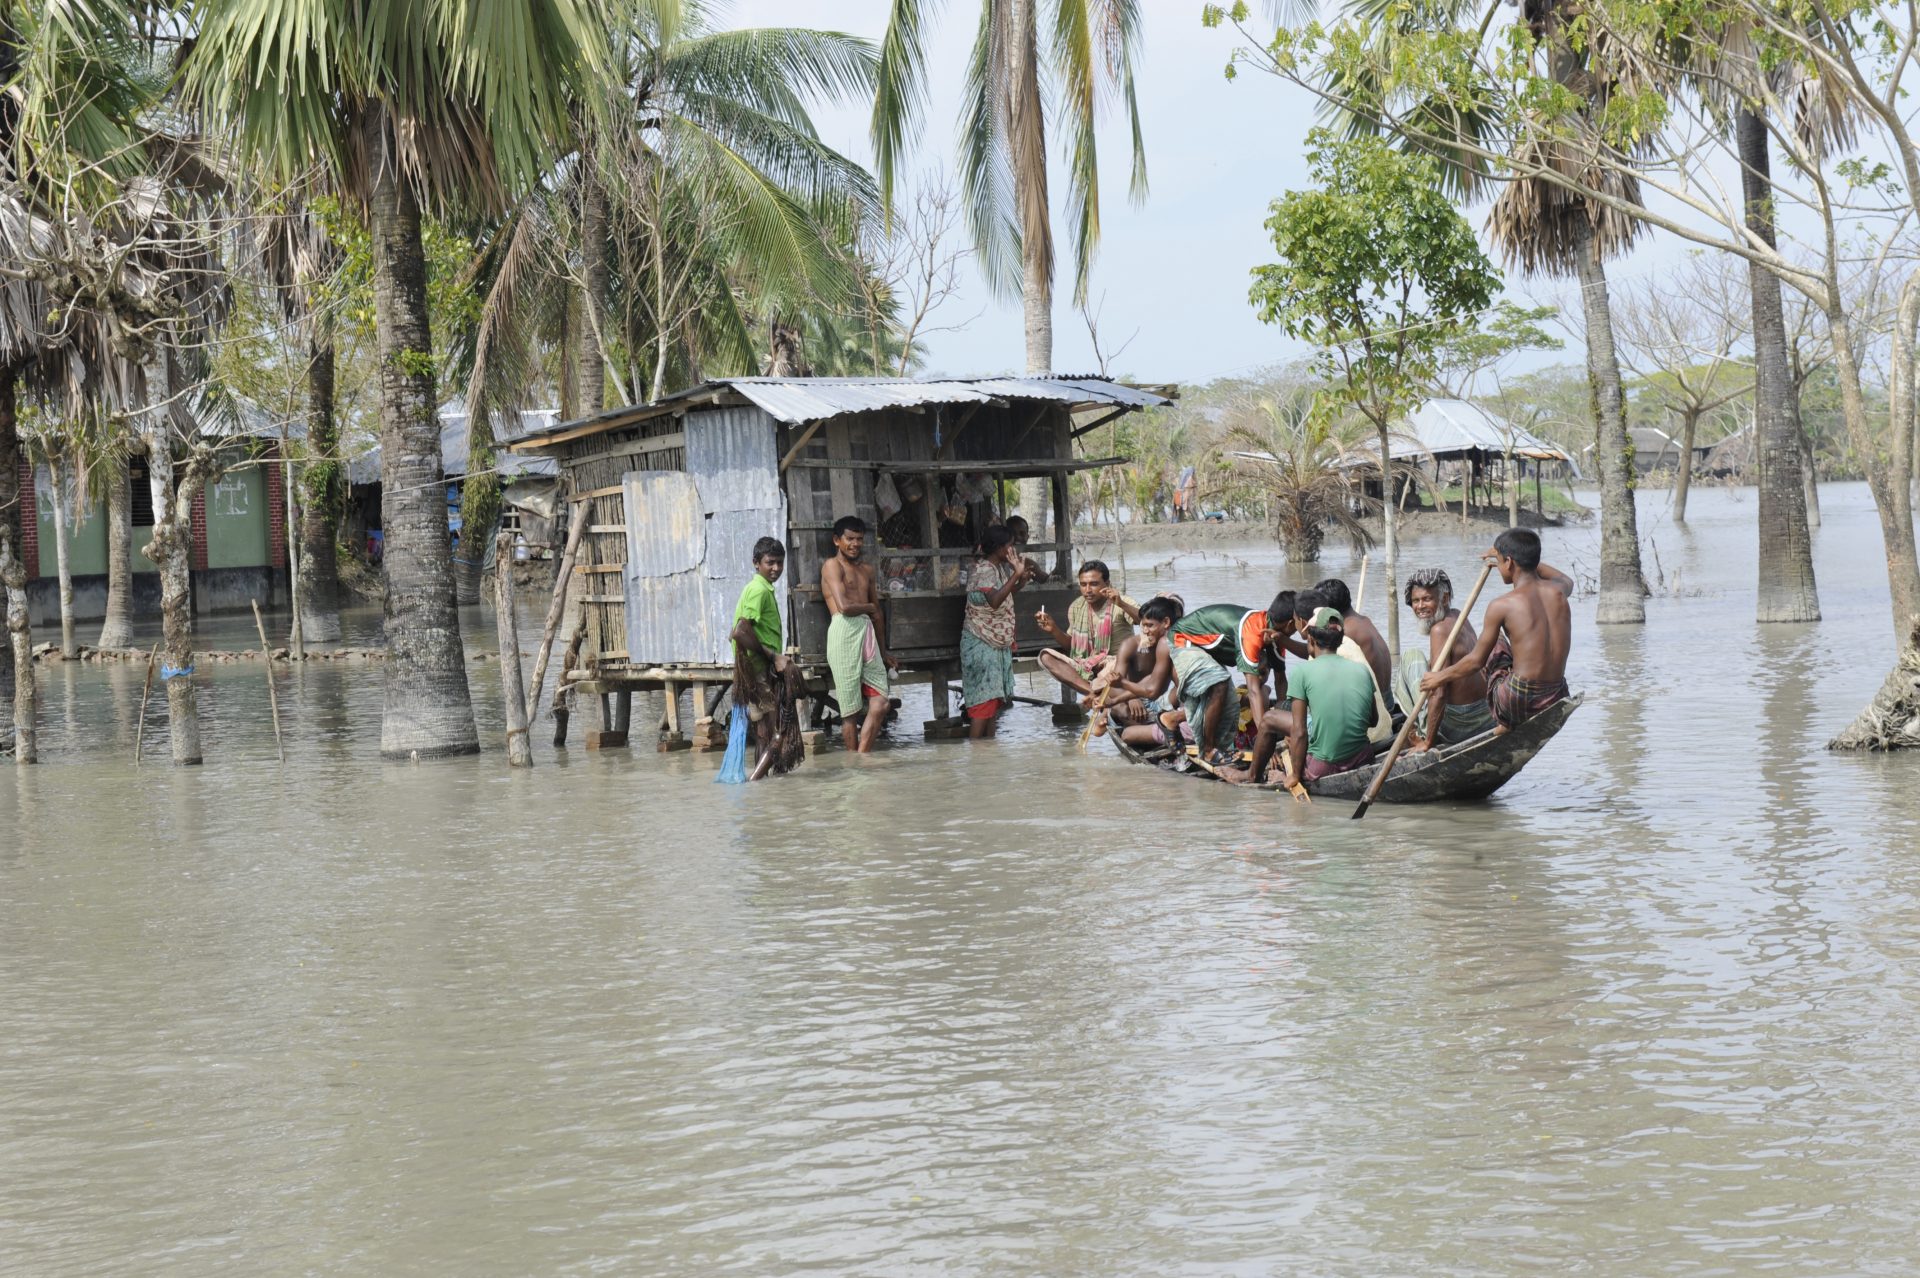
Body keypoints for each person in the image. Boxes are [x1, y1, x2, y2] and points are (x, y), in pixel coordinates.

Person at [1421, 528, 1574, 732]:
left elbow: (1476, 661)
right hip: (1558, 693)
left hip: (1517, 702)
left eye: (1500, 561)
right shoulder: (1560, 590)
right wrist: (1520, 557)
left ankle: (1503, 723)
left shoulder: (1501, 605)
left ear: (1509, 562)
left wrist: (1438, 677)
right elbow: (1565, 578)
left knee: (1495, 642)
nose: (1499, 566)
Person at [1282, 606, 1385, 799]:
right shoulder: (1361, 670)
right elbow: (1373, 721)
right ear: (1340, 640)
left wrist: (1295, 775)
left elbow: (1299, 731)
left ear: (1311, 639)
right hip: (1362, 758)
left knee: (1288, 746)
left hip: (1324, 766)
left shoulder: (1301, 673)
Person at [1392, 568, 1496, 751]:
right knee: (1426, 664)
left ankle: (1423, 731)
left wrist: (1428, 742)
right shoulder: (1457, 615)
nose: (1420, 607)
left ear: (1444, 599)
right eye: (1415, 601)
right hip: (1484, 714)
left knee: (1411, 657)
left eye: (1427, 599)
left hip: (1461, 724)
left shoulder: (1439, 630)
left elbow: (1439, 693)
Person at [821, 515, 897, 753]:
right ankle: (855, 761)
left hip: (867, 633)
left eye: (859, 539)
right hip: (843, 630)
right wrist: (870, 608)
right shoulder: (832, 566)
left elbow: (878, 616)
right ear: (837, 540)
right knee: (850, 710)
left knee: (881, 703)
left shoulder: (867, 570)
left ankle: (861, 757)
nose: (854, 544)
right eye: (849, 539)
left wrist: (884, 653)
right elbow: (844, 607)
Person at [729, 537, 802, 771]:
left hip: (760, 667)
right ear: (756, 563)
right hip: (758, 668)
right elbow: (740, 631)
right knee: (770, 730)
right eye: (770, 562)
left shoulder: (762, 588)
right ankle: (757, 784)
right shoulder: (758, 589)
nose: (776, 569)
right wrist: (773, 656)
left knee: (766, 730)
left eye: (780, 563)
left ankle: (766, 789)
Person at [961, 525, 1037, 738]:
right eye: (1010, 546)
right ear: (999, 548)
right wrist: (1017, 574)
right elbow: (994, 601)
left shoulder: (999, 568)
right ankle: (977, 751)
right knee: (982, 702)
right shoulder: (983, 569)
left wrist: (1020, 578)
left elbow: (1005, 593)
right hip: (980, 640)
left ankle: (989, 755)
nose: (1012, 550)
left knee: (992, 701)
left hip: (994, 642)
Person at [1169, 600, 1278, 749]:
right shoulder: (1247, 692)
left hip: (1232, 733)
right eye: (1257, 673)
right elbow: (1252, 695)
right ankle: (1204, 744)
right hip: (1186, 647)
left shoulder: (1261, 690)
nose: (1260, 678)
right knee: (1221, 689)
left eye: (1264, 673)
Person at [1036, 560, 1139, 697]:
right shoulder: (1076, 606)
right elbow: (1071, 646)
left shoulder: (1120, 601)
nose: (1088, 590)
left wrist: (1122, 604)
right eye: (1083, 585)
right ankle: (1093, 694)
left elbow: (1143, 620)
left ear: (1107, 584)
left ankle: (1100, 692)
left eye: (1094, 584)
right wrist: (1054, 629)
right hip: (1086, 665)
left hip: (1115, 664)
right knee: (1046, 657)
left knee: (1116, 667)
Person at [1093, 596, 1181, 747]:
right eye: (1143, 626)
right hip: (1142, 700)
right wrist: (1130, 699)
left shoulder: (1169, 643)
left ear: (1166, 623)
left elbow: (1154, 686)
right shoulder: (1131, 645)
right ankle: (1153, 730)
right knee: (1118, 709)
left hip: (1162, 699)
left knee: (1127, 734)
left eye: (1150, 626)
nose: (1146, 631)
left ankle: (1153, 731)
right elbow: (1115, 683)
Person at [1313, 576, 1392, 699]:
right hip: (1386, 700)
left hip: (1376, 707)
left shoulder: (1346, 631)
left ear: (1328, 609)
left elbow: (1318, 657)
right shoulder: (1364, 621)